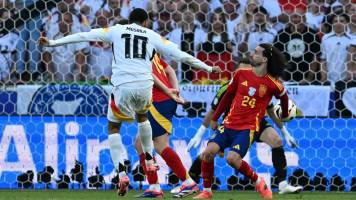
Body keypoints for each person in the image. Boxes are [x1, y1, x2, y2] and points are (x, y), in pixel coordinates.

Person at [38, 8, 221, 196]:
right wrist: (207, 67)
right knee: (140, 138)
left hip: (128, 88)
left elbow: (84, 34)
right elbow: (180, 55)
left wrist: (52, 43)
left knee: (117, 129)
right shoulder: (151, 36)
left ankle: (179, 180)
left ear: (129, 21)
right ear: (146, 22)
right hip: (146, 90)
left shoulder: (117, 30)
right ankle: (155, 185)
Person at [193, 43, 290, 199]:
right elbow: (227, 97)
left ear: (264, 59)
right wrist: (215, 118)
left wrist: (285, 114)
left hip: (247, 128)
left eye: (257, 52)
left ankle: (258, 180)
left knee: (232, 159)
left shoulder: (273, 84)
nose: (253, 54)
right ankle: (207, 191)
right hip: (228, 124)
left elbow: (284, 96)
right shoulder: (240, 74)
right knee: (207, 153)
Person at [183, 74, 302, 195]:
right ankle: (190, 181)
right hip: (233, 124)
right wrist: (199, 134)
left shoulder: (261, 85)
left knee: (276, 141)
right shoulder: (228, 87)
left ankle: (282, 185)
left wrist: (285, 133)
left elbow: (270, 110)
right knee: (210, 152)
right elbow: (213, 110)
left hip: (256, 122)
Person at [135, 55, 198, 198]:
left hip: (156, 102)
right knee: (140, 143)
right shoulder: (151, 53)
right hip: (163, 100)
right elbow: (170, 71)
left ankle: (188, 182)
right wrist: (174, 91)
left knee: (159, 145)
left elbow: (148, 74)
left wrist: (169, 91)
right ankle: (155, 186)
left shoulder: (137, 54)